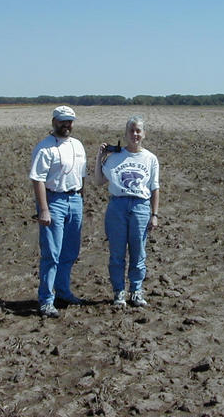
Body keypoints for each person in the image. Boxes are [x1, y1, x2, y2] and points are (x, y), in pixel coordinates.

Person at [94, 115, 159, 307]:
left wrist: (154, 215)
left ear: (144, 134)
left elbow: (155, 188)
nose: (135, 134)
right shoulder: (115, 157)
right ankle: (119, 292)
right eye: (131, 130)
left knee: (138, 252)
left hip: (141, 207)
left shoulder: (150, 159)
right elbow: (98, 181)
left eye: (138, 130)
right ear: (125, 133)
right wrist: (100, 157)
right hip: (117, 206)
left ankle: (136, 291)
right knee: (117, 253)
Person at [29, 105, 87, 317]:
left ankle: (63, 291)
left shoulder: (78, 145)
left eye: (70, 121)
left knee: (70, 251)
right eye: (62, 120)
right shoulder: (45, 148)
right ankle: (46, 300)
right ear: (54, 121)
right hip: (54, 201)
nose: (66, 125)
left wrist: (81, 196)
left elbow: (82, 174)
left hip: (75, 200)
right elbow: (38, 179)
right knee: (51, 253)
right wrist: (44, 209)